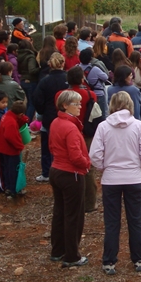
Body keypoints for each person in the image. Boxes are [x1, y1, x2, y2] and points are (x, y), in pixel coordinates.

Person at [89, 91, 141, 276]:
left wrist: (105, 168)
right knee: (135, 220)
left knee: (112, 222)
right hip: (134, 179)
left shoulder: (103, 127)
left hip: (111, 180)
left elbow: (94, 154)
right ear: (130, 105)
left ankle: (109, 261)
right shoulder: (138, 126)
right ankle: (139, 258)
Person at [48, 90, 91, 268]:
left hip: (56, 170)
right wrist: (86, 164)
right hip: (71, 173)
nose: (79, 107)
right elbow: (75, 156)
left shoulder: (56, 122)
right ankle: (72, 255)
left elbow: (51, 146)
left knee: (59, 211)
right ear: (65, 105)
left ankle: (57, 250)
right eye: (76, 104)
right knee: (74, 215)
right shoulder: (70, 127)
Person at [59, 66, 98, 212]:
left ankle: (72, 200)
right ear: (82, 78)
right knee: (88, 167)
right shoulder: (90, 94)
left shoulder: (60, 95)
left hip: (65, 133)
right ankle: (90, 202)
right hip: (86, 134)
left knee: (67, 165)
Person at [33, 52, 68, 183]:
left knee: (47, 146)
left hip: (49, 117)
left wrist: (42, 112)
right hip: (65, 116)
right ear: (63, 63)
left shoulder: (44, 81)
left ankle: (46, 172)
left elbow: (37, 100)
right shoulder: (67, 79)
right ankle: (63, 170)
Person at [0, 100, 29, 198]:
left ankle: (9, 187)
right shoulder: (11, 122)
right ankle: (14, 190)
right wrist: (20, 146)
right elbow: (10, 136)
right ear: (20, 113)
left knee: (8, 169)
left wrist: (23, 119)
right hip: (10, 150)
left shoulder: (8, 115)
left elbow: (20, 121)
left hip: (4, 148)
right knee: (14, 170)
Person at [79, 48, 110, 119]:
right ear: (90, 59)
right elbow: (105, 77)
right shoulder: (95, 69)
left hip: (83, 93)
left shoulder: (77, 68)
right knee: (101, 115)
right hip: (98, 94)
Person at [17, 40, 40, 121]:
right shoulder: (30, 56)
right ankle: (27, 121)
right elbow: (32, 70)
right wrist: (40, 69)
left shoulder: (19, 56)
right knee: (32, 103)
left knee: (29, 102)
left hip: (23, 80)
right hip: (31, 81)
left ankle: (25, 119)